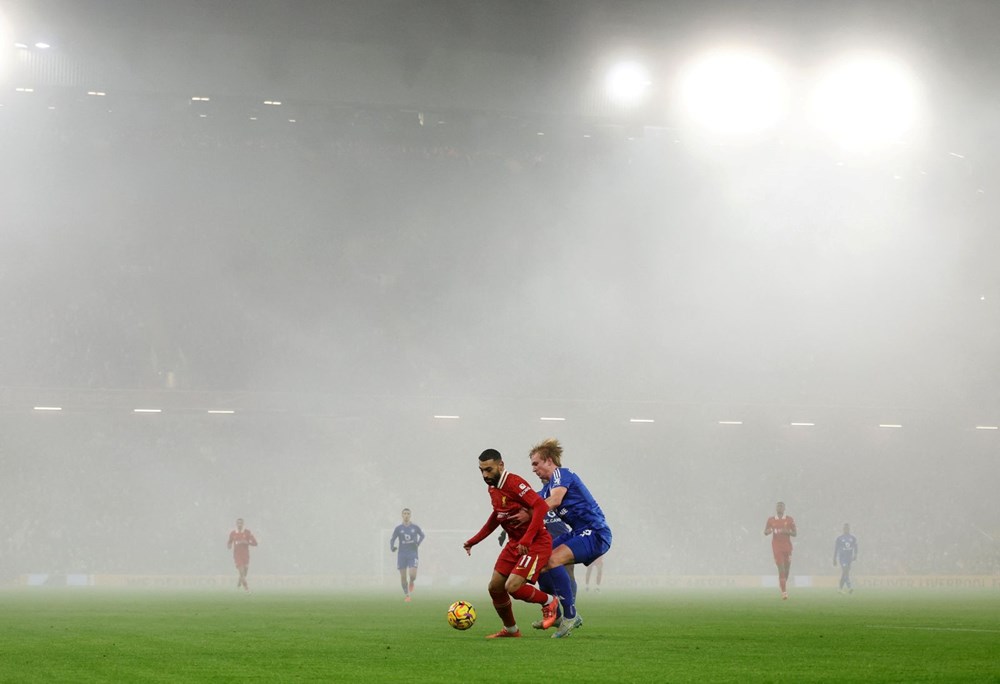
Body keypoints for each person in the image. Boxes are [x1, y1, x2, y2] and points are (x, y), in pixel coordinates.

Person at [464, 448, 561, 639]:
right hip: (515, 543)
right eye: (481, 470)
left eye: (489, 470)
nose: (485, 475)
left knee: (513, 587)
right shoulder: (492, 487)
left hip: (535, 542)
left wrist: (526, 538)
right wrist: (474, 540)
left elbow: (540, 506)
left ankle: (550, 601)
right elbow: (497, 517)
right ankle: (511, 630)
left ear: (501, 465)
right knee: (495, 587)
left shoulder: (515, 483)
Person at [526, 438, 612, 638]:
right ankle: (555, 613)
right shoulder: (547, 487)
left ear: (548, 460)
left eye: (535, 464)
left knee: (552, 559)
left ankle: (571, 615)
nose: (533, 469)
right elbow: (531, 504)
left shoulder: (561, 474)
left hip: (595, 532)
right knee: (540, 560)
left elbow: (554, 501)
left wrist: (532, 512)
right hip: (578, 532)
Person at [389, 508, 425, 602]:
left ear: (410, 515)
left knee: (412, 575)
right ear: (402, 515)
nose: (406, 515)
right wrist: (392, 547)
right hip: (402, 554)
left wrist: (418, 543)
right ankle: (407, 595)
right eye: (404, 513)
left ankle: (412, 582)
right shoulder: (398, 528)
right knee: (403, 577)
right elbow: (392, 539)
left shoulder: (415, 527)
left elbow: (422, 535)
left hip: (412, 553)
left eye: (408, 513)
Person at [763, 501, 796, 600]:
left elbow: (795, 533)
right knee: (781, 569)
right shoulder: (771, 520)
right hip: (777, 548)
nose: (780, 507)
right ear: (776, 508)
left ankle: (782, 584)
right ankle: (784, 592)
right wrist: (768, 531)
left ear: (784, 508)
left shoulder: (789, 519)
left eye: (781, 506)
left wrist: (787, 531)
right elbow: (765, 531)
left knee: (787, 570)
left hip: (787, 548)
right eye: (778, 506)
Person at [227, 518, 258, 593]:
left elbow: (255, 543)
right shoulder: (233, 533)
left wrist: (247, 542)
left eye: (241, 523)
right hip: (237, 555)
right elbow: (229, 542)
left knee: (244, 573)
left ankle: (238, 585)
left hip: (246, 555)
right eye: (238, 523)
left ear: (243, 524)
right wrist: (229, 546)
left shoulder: (247, 532)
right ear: (236, 524)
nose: (239, 525)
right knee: (241, 572)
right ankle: (247, 589)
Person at [833, 523, 858, 594]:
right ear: (843, 529)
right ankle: (849, 587)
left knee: (845, 573)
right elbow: (836, 549)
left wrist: (855, 555)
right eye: (845, 528)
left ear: (849, 529)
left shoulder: (853, 538)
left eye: (847, 528)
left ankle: (840, 588)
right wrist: (834, 559)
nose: (846, 530)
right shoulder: (839, 538)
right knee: (845, 571)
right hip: (842, 558)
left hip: (849, 558)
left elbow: (856, 547)